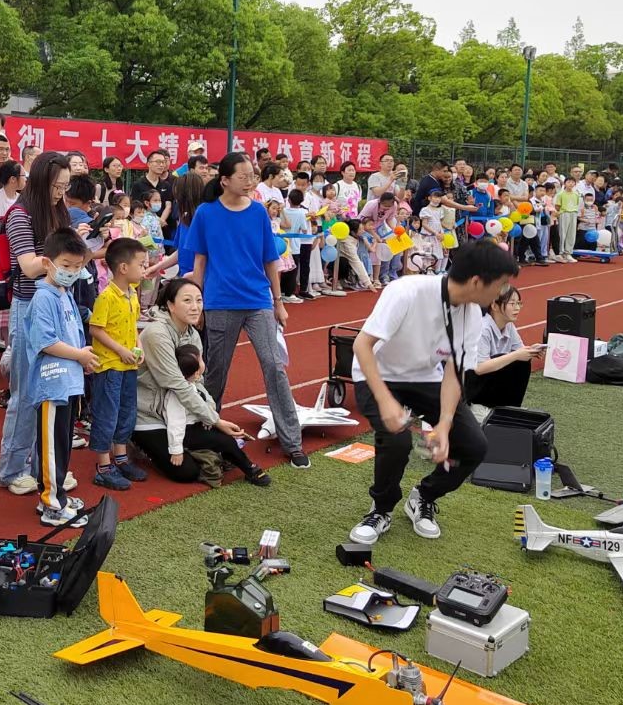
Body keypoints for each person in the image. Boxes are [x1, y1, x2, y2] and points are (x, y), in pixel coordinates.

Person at [348, 242, 518, 545]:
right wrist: (386, 401)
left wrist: (445, 424)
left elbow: (454, 372)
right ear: (477, 281)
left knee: (474, 445)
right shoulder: (406, 291)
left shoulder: (473, 315)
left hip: (426, 377)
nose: (503, 293)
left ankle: (424, 496)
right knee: (396, 439)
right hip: (378, 374)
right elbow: (362, 345)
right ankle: (381, 509)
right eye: (501, 284)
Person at [189, 154, 308, 468]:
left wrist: (278, 302)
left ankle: (292, 441)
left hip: (258, 301)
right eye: (243, 176)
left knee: (274, 366)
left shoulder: (258, 212)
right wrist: (196, 304)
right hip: (219, 301)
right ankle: (207, 433)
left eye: (252, 176)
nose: (250, 181)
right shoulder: (206, 213)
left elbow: (270, 259)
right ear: (225, 180)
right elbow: (200, 261)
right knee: (216, 371)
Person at [0, 154, 78, 494]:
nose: (61, 193)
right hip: (29, 305)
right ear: (42, 182)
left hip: (59, 301)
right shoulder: (20, 214)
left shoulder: (59, 210)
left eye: (65, 186)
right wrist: (62, 260)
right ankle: (11, 469)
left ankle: (46, 466)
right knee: (26, 393)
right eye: (57, 186)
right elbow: (28, 267)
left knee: (53, 390)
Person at [132, 278, 269, 485]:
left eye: (199, 300)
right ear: (170, 305)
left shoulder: (192, 334)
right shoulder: (156, 335)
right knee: (185, 472)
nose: (195, 307)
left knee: (215, 439)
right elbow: (177, 384)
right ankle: (140, 444)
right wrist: (215, 421)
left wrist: (210, 414)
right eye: (187, 300)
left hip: (181, 413)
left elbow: (197, 381)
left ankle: (208, 451)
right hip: (150, 416)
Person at [27, 228, 97, 527]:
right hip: (52, 383)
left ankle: (56, 496)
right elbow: (46, 342)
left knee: (62, 442)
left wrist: (83, 359)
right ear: (47, 263)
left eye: (77, 266)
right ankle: (52, 505)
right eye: (66, 265)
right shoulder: (44, 297)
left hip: (67, 381)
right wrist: (80, 356)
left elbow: (73, 335)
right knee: (52, 446)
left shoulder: (64, 294)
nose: (71, 272)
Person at [88, 237, 148, 491]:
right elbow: (96, 329)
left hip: (128, 365)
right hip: (110, 366)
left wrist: (138, 346)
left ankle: (121, 457)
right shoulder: (107, 296)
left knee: (126, 412)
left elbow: (133, 326)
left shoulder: (132, 294)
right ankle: (103, 467)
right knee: (107, 413)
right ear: (123, 268)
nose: (145, 269)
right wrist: (121, 350)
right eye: (141, 264)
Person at [465, 286, 542, 408]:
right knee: (512, 357)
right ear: (494, 305)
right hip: (470, 383)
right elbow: (479, 368)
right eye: (512, 303)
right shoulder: (482, 328)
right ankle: (476, 406)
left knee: (522, 362)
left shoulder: (509, 326)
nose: (517, 308)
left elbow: (520, 352)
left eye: (519, 303)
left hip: (490, 380)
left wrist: (531, 350)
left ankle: (510, 407)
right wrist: (516, 355)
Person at [130, 150, 174, 238]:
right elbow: (136, 206)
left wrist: (161, 220)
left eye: (163, 162)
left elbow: (168, 205)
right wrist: (153, 220)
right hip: (144, 229)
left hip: (164, 227)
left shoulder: (166, 185)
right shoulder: (138, 185)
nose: (161, 165)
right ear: (149, 164)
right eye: (158, 162)